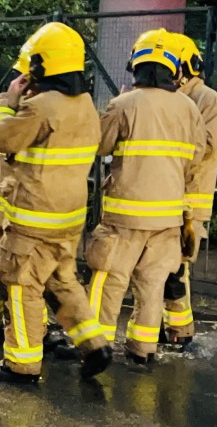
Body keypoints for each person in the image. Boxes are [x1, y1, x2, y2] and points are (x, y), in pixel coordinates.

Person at [0, 22, 111, 384]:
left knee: (20, 284)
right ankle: (95, 344)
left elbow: (2, 140)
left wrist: (7, 103)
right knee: (62, 280)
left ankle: (20, 364)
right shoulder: (86, 106)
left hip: (34, 217)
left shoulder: (40, 108)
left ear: (41, 66)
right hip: (68, 218)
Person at [85, 28, 206, 365]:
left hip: (125, 217)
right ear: (174, 71)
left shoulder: (124, 104)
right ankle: (143, 351)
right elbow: (196, 157)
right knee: (152, 285)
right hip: (168, 217)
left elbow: (101, 145)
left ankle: (95, 345)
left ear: (135, 66)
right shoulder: (189, 108)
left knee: (109, 279)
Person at [0, 41, 65, 349]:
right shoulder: (27, 113)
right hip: (17, 206)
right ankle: (33, 328)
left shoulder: (3, 107)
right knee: (23, 271)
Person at [160, 33, 217, 348]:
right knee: (160, 269)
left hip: (189, 202)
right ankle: (166, 329)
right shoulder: (170, 98)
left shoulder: (209, 100)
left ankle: (179, 333)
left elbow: (207, 148)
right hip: (165, 198)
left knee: (176, 271)